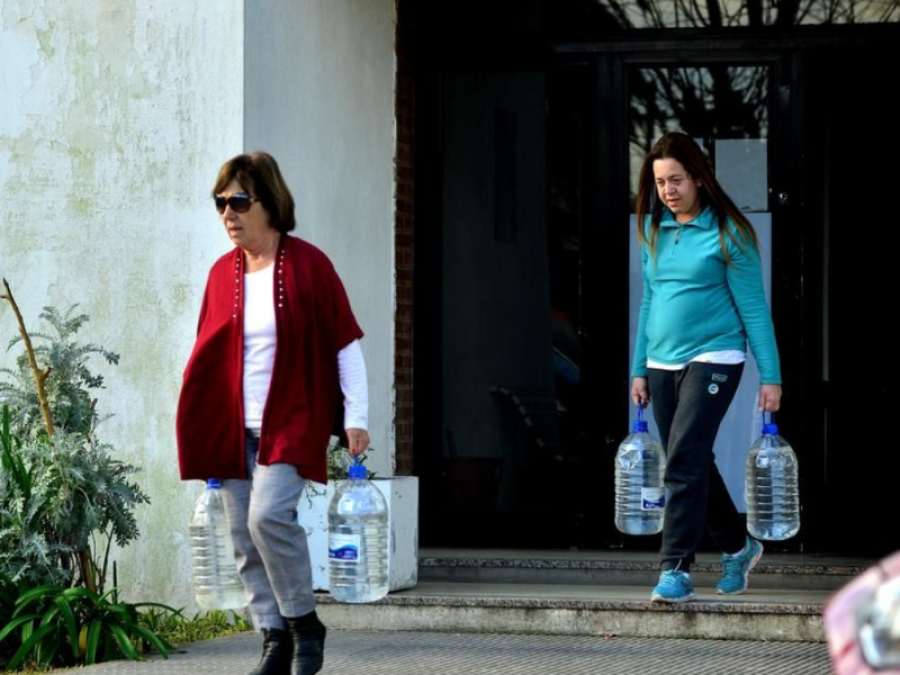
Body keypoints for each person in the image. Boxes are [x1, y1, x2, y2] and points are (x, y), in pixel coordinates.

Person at [176, 152, 369, 675]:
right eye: (220, 204)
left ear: (270, 202)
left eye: (239, 200)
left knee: (268, 518)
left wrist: (357, 416)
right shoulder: (221, 275)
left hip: (292, 418)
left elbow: (345, 343)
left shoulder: (310, 265)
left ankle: (306, 626)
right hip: (233, 427)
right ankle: (274, 638)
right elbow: (207, 354)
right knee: (242, 537)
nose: (228, 214)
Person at [630, 132, 782, 603]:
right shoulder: (654, 232)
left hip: (715, 356)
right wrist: (638, 368)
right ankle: (738, 547)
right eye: (659, 183)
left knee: (683, 460)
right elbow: (649, 302)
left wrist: (771, 376)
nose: (668, 190)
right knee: (690, 458)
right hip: (661, 360)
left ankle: (674, 567)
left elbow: (755, 309)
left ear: (697, 177)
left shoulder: (727, 231)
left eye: (676, 179)